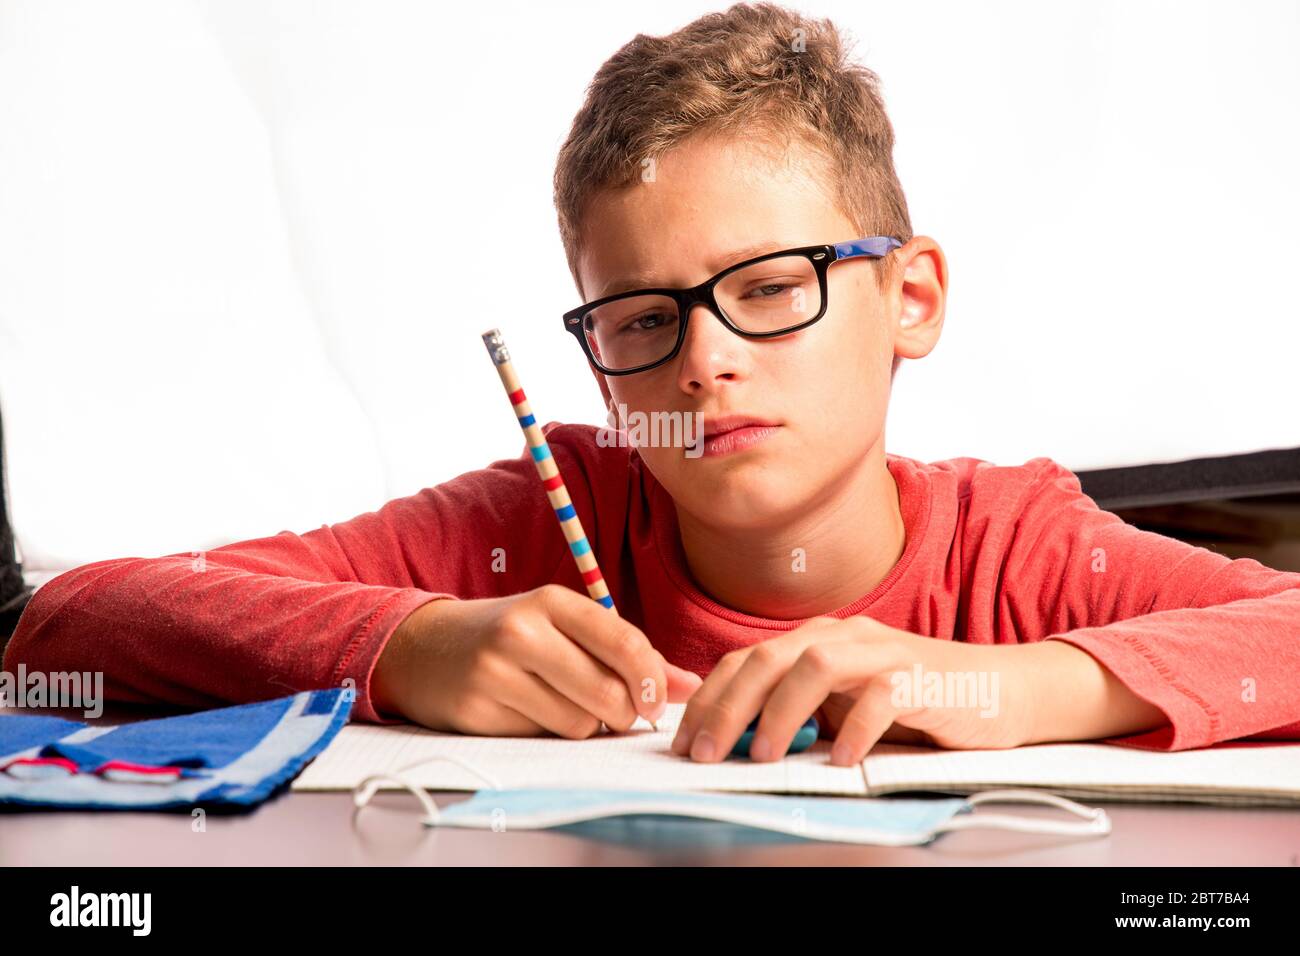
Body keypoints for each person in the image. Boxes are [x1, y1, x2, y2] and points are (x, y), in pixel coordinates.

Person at [7, 2, 1299, 766]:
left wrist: (999, 688)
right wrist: (405, 644)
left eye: (772, 285)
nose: (706, 359)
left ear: (910, 299)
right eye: (641, 317)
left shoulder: (1017, 550)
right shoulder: (527, 529)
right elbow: (62, 630)